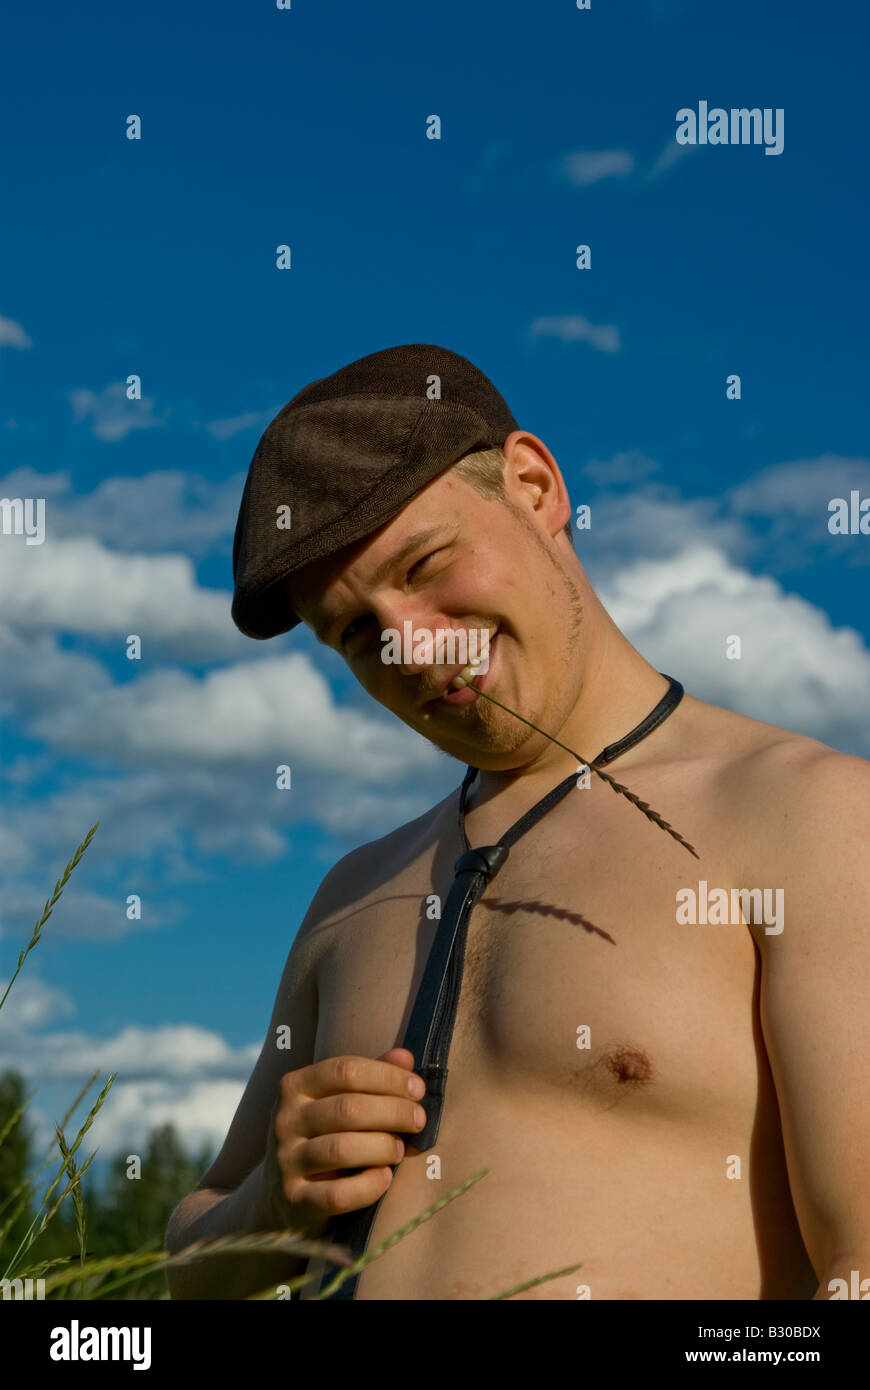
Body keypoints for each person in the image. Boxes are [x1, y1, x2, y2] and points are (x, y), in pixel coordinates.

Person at [165, 344, 870, 1301]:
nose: (414, 646)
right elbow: (188, 1263)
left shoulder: (807, 819)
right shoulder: (352, 894)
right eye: (359, 635)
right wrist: (270, 1209)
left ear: (535, 487)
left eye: (426, 564)